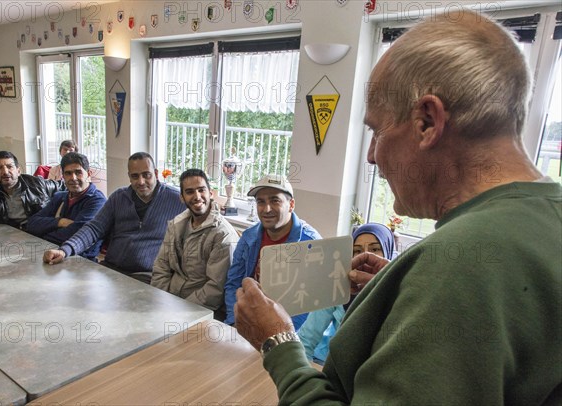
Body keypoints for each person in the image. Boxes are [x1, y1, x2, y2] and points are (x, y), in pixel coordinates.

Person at [233, 10, 562, 404]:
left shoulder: (456, 267)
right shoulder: (542, 220)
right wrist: (406, 292)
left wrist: (279, 343)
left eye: (377, 130)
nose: (371, 156)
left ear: (427, 122)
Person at [42, 152, 185, 283]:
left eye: (146, 175)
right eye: (135, 176)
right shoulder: (119, 197)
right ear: (129, 176)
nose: (141, 181)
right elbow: (94, 228)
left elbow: (203, 212)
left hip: (148, 277)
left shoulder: (177, 199)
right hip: (111, 270)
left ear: (156, 173)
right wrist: (65, 250)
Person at [224, 174, 321, 329]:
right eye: (261, 202)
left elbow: (310, 307)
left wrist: (281, 335)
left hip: (286, 331)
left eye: (275, 200)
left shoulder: (311, 244)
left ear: (291, 205)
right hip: (247, 322)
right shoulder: (249, 237)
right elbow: (233, 284)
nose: (267, 209)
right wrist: (234, 321)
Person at [298, 223, 395, 365]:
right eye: (357, 251)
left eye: (375, 249)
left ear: (387, 253)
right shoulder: (338, 288)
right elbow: (306, 340)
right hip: (334, 365)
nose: (366, 256)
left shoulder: (398, 294)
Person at [150, 169, 239, 320]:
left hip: (200, 312)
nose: (197, 197)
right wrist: (162, 302)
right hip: (168, 303)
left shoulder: (223, 235)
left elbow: (214, 290)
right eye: (190, 192)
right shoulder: (176, 224)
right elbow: (161, 267)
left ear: (211, 193)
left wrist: (179, 311)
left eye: (201, 190)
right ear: (182, 198)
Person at [26, 153, 106, 260]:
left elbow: (77, 235)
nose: (73, 178)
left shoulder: (97, 201)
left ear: (89, 174)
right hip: (50, 254)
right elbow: (32, 224)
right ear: (63, 176)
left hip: (81, 261)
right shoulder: (60, 197)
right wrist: (60, 222)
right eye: (68, 173)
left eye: (78, 172)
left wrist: (43, 233)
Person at [0, 151, 61, 229]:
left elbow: (65, 187)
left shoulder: (37, 184)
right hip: (9, 236)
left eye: (9, 166)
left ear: (18, 171)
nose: (5, 172)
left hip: (38, 232)